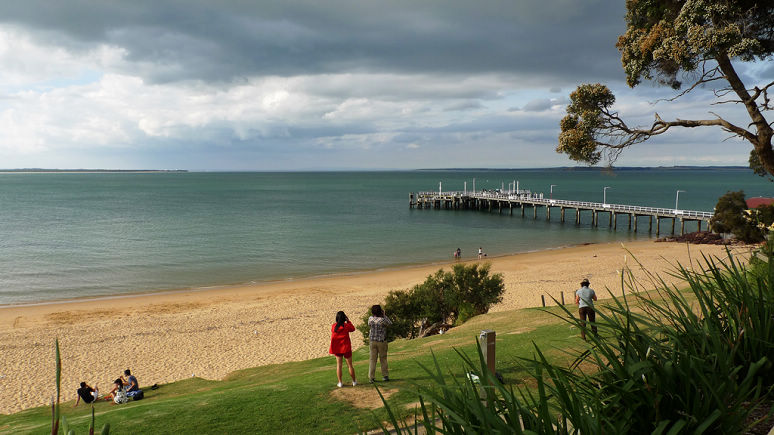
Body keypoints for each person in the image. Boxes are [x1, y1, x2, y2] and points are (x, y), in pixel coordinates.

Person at [329, 311, 357, 388]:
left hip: (338, 349)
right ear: (344, 318)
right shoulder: (346, 326)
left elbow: (335, 329)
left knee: (339, 365)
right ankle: (354, 381)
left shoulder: (334, 326)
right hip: (346, 348)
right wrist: (348, 321)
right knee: (350, 366)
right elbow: (353, 328)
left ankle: (340, 382)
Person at [367, 304, 392, 383]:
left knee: (372, 360)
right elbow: (390, 323)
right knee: (383, 359)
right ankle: (385, 376)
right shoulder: (382, 320)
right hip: (381, 341)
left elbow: (369, 324)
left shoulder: (370, 319)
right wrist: (384, 315)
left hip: (372, 341)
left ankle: (371, 377)